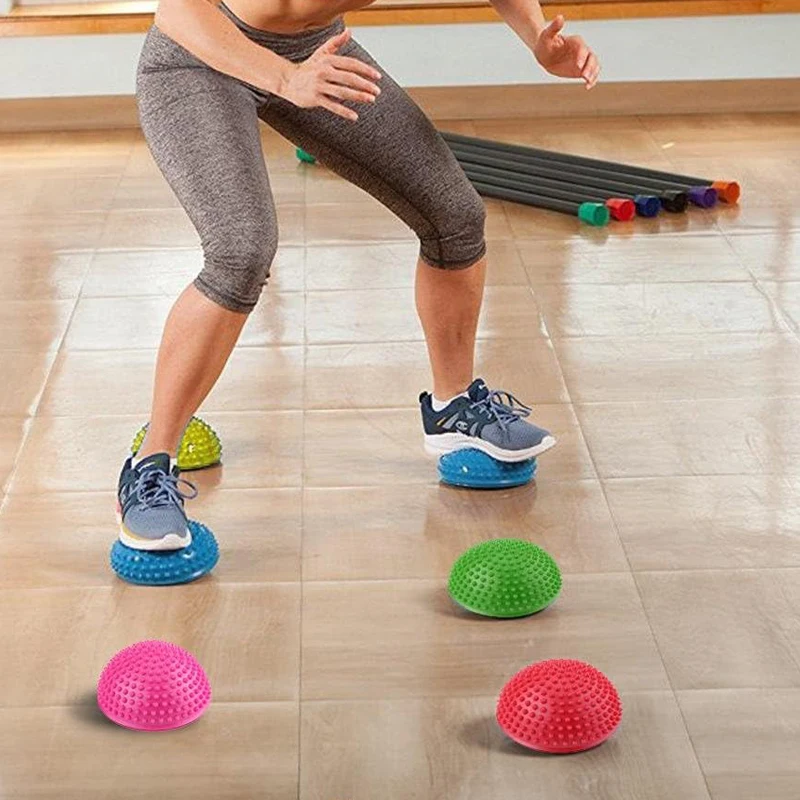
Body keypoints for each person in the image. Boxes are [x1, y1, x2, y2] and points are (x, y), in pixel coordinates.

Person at [117, 0, 600, 551]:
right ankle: (149, 465)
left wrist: (538, 38)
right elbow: (179, 11)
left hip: (314, 52)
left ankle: (454, 407)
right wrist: (283, 77)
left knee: (454, 216)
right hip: (198, 56)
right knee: (241, 249)